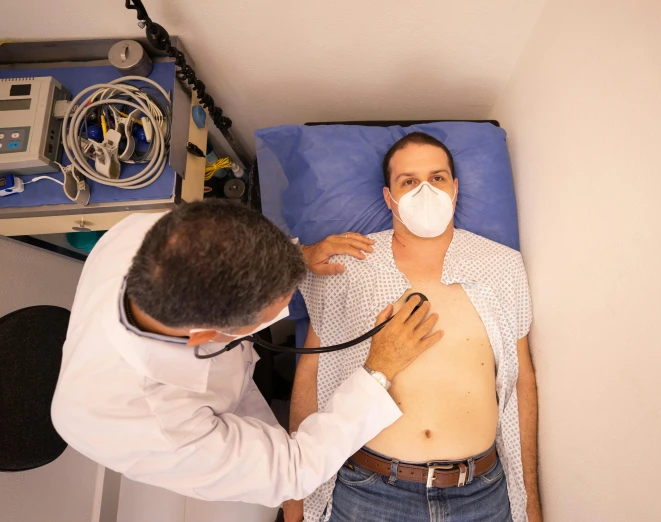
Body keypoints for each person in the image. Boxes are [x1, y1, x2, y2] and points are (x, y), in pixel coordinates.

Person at [51, 200, 443, 507]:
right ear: (206, 334)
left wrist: (296, 258)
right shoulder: (159, 427)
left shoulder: (143, 230)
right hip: (157, 429)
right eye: (280, 302)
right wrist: (378, 371)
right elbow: (292, 470)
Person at [284, 132, 542, 522]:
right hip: (370, 491)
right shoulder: (348, 264)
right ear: (389, 197)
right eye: (409, 181)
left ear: (454, 188)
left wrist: (531, 502)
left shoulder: (502, 266)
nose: (426, 190)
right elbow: (312, 373)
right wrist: (295, 501)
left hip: (481, 495)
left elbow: (522, 381)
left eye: (437, 178)